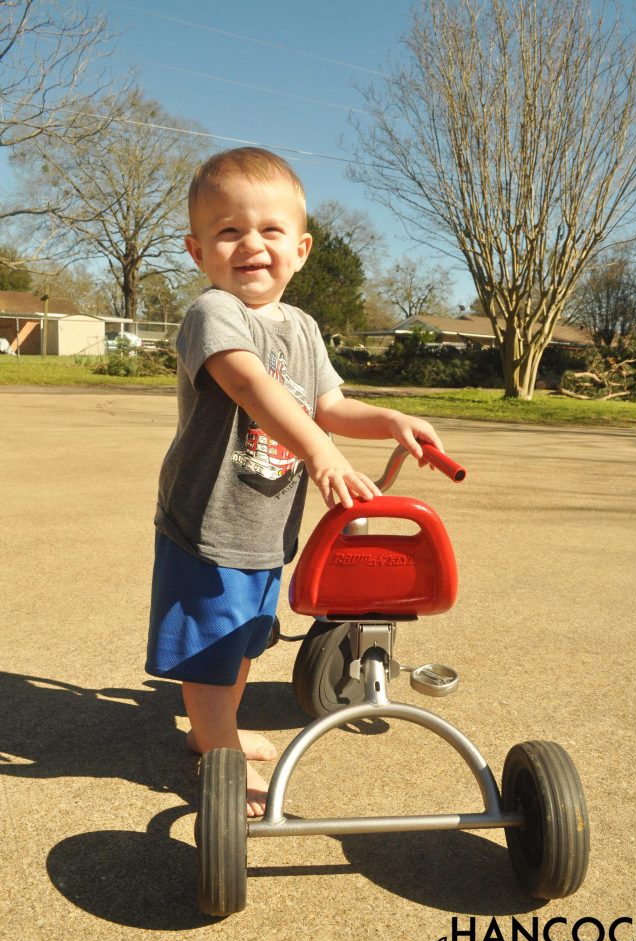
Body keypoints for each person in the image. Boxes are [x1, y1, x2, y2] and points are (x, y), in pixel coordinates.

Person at [146, 147, 443, 816]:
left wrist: (390, 420)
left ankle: (210, 731)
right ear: (198, 251)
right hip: (207, 522)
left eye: (270, 230)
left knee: (246, 634)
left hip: (264, 525)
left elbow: (331, 405)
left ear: (301, 248)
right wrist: (318, 454)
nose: (251, 243)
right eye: (228, 231)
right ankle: (217, 754)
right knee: (211, 648)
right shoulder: (214, 316)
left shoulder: (303, 329)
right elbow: (250, 385)